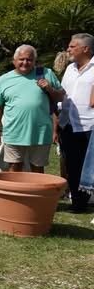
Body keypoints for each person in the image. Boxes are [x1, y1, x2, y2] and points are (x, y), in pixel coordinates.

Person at [0, 45, 64, 173]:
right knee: (14, 169)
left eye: (29, 59)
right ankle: (15, 193)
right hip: (13, 132)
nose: (25, 62)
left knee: (37, 170)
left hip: (40, 133)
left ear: (34, 61)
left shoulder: (46, 73)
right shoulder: (4, 79)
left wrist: (50, 89)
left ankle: (35, 193)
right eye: (22, 59)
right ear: (14, 61)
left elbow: (61, 97)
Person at [57, 33, 94, 211]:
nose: (68, 49)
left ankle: (88, 198)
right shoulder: (70, 69)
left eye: (72, 46)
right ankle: (78, 203)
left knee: (90, 166)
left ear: (85, 48)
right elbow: (63, 94)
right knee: (73, 165)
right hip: (68, 125)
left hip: (90, 126)